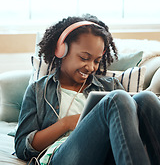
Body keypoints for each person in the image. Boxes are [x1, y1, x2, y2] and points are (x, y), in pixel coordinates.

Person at [15, 14, 160, 165]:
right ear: (62, 51)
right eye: (84, 58)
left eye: (96, 61)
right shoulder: (39, 90)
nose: (91, 67)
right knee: (116, 98)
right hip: (61, 156)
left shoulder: (109, 86)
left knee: (146, 98)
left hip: (107, 154)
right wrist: (66, 123)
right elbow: (21, 147)